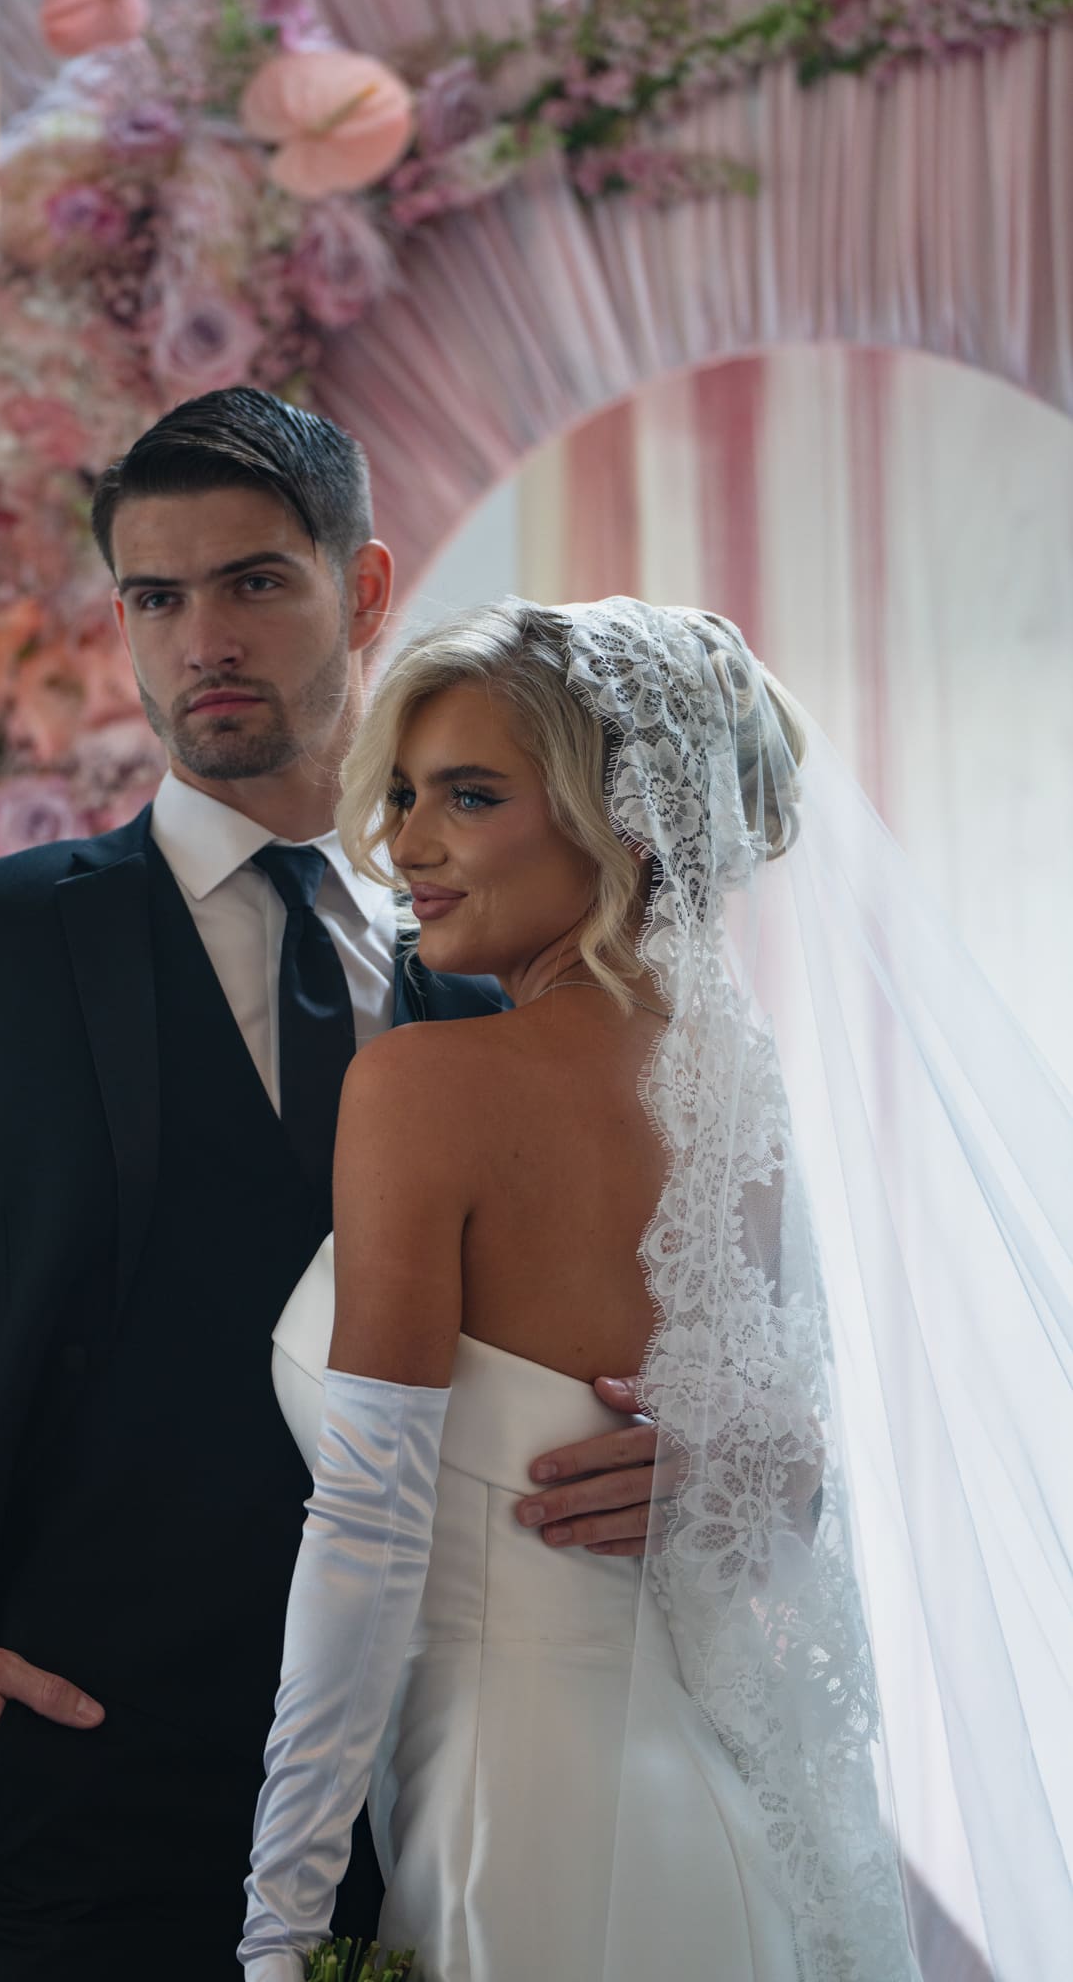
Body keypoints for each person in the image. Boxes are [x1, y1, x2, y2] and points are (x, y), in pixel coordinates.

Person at [0, 393, 675, 1978]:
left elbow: (664, 1312)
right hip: (77, 1784)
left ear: (361, 592)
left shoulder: (514, 969)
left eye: (252, 583)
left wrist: (707, 1466)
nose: (200, 638)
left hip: (463, 1792)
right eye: (155, 598)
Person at [239, 596, 931, 1980]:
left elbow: (367, 1532)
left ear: (623, 818)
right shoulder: (743, 1092)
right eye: (403, 793)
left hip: (524, 1819)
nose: (405, 844)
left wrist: (281, 1917)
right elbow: (777, 1469)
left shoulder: (424, 1088)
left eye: (470, 796)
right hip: (716, 1819)